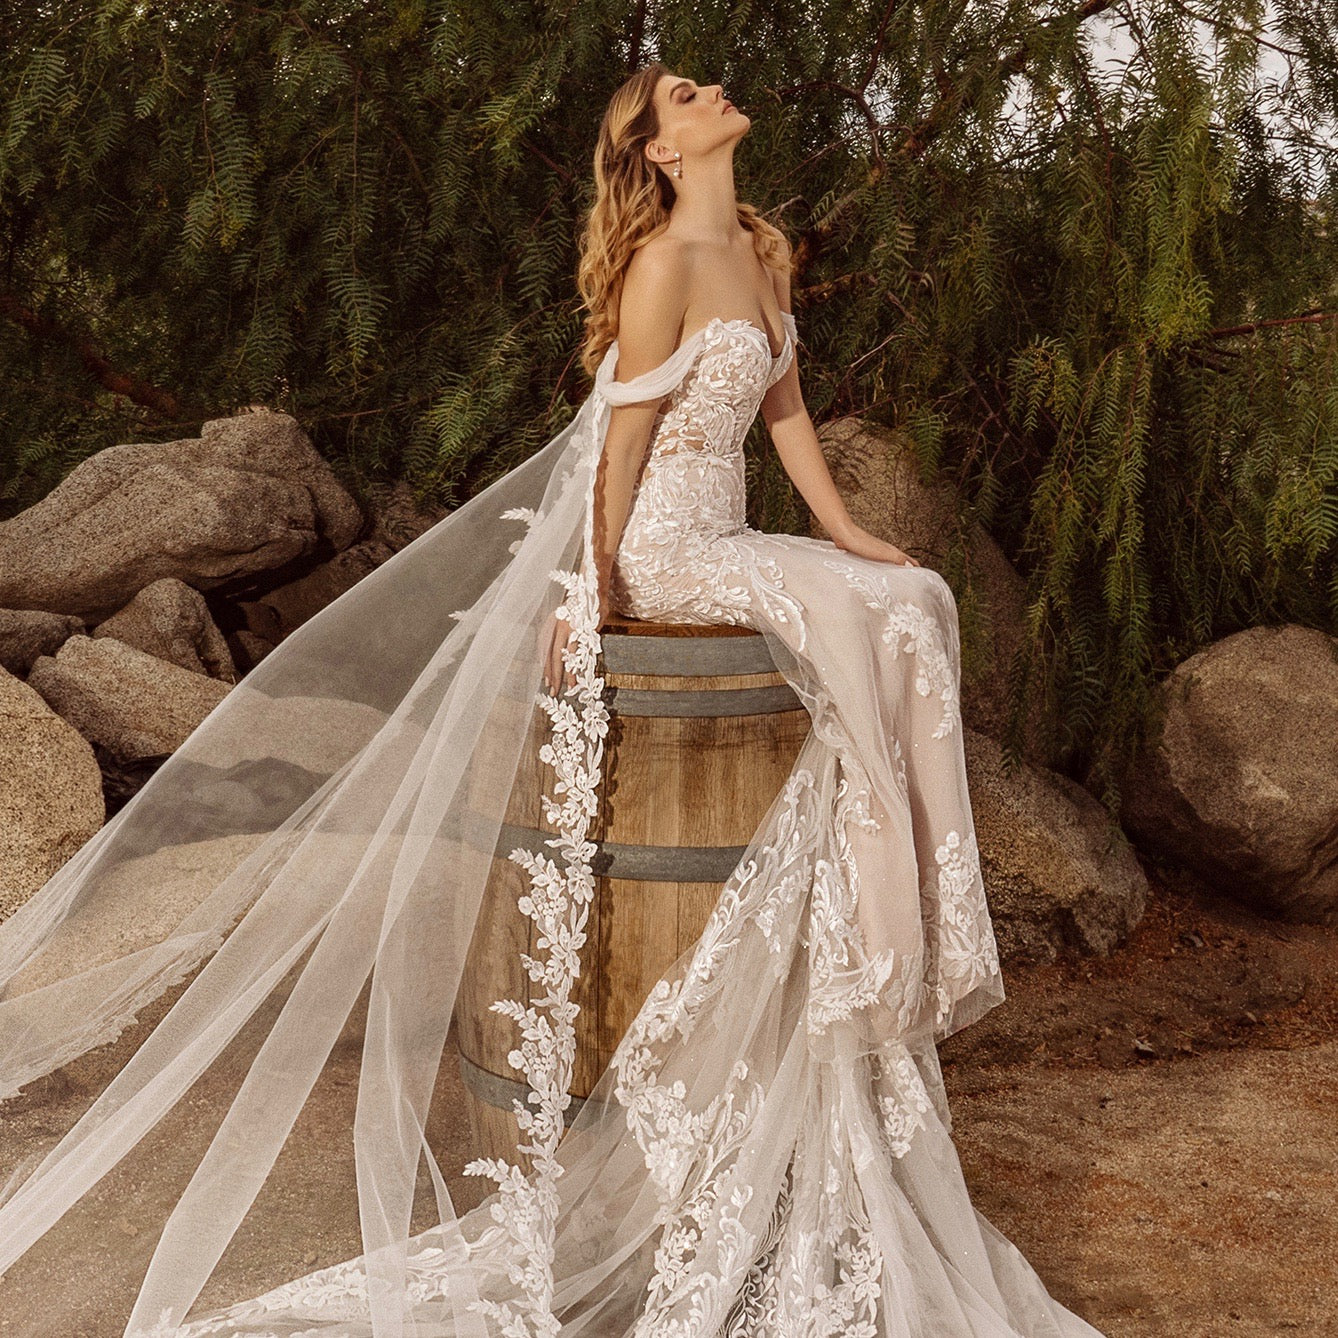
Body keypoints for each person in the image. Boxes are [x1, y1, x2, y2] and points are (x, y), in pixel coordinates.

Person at [0, 62, 1107, 1336]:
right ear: (655, 148)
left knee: (913, 600)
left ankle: (892, 919)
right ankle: (896, 916)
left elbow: (790, 413)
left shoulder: (756, 248)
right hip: (664, 547)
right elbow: (619, 450)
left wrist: (850, 531)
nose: (714, 93)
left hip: (736, 534)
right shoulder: (663, 273)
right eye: (686, 95)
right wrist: (591, 591)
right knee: (896, 621)